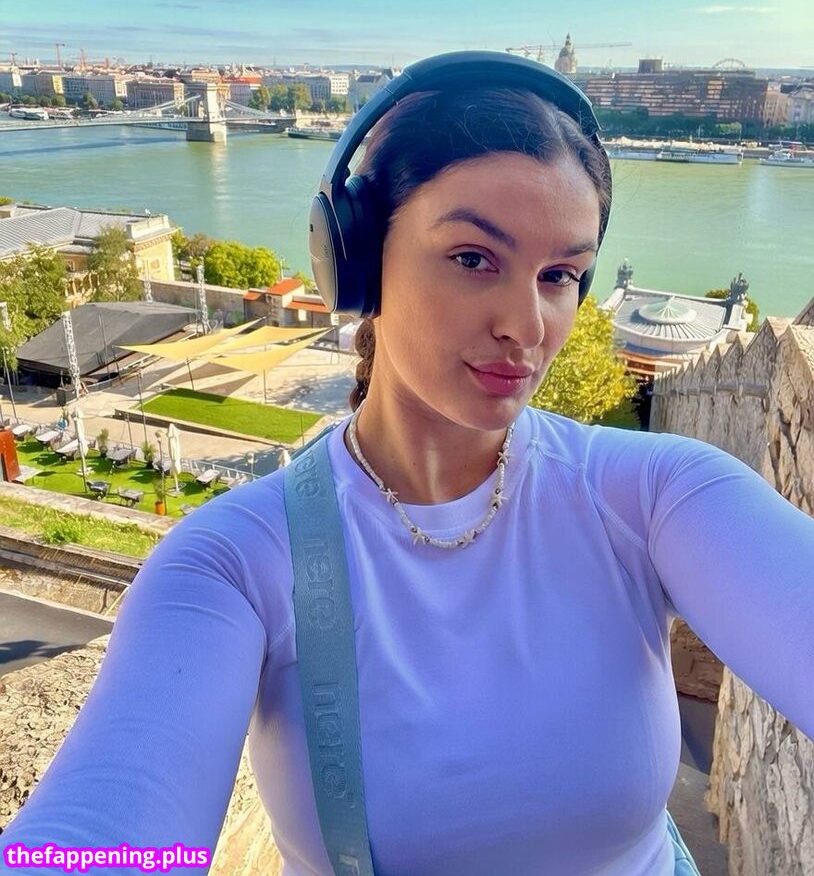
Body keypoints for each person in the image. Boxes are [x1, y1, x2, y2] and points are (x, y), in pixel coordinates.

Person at [1, 54, 813, 876]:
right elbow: (104, 827)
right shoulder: (235, 563)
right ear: (356, 261)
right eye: (473, 258)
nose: (528, 326)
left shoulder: (657, 494)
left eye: (560, 275)